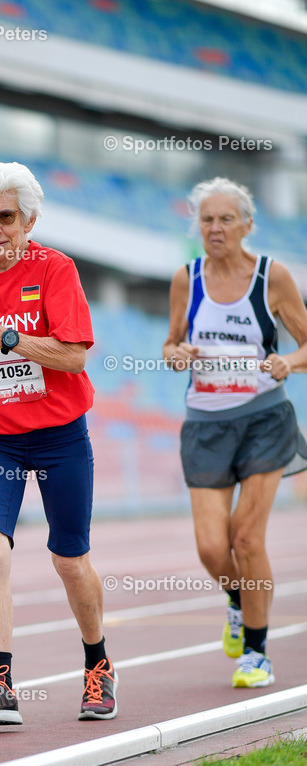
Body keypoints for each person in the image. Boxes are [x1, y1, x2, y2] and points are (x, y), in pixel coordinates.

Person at [0, 160, 117, 727]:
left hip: (59, 436)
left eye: (5, 216)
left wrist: (3, 337)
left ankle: (97, 665)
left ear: (28, 218)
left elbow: (75, 355)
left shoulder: (56, 270)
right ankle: (0, 683)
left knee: (69, 558)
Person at [163, 177, 307, 689]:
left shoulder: (273, 277)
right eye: (207, 219)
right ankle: (237, 599)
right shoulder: (187, 278)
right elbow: (172, 342)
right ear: (197, 227)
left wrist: (287, 361)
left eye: (226, 219)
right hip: (205, 423)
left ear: (247, 225)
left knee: (247, 536)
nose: (216, 227)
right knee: (210, 547)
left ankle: (257, 650)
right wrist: (175, 352)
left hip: (265, 418)